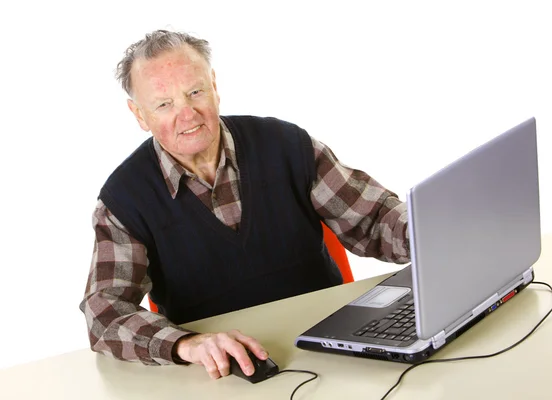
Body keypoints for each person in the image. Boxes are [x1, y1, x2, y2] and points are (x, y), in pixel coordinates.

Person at [79, 29, 410, 381]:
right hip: (221, 374)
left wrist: (435, 229)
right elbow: (105, 314)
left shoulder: (286, 146)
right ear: (139, 115)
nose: (187, 114)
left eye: (195, 92)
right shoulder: (125, 199)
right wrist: (187, 344)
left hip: (334, 347)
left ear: (214, 86)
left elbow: (376, 220)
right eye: (164, 104)